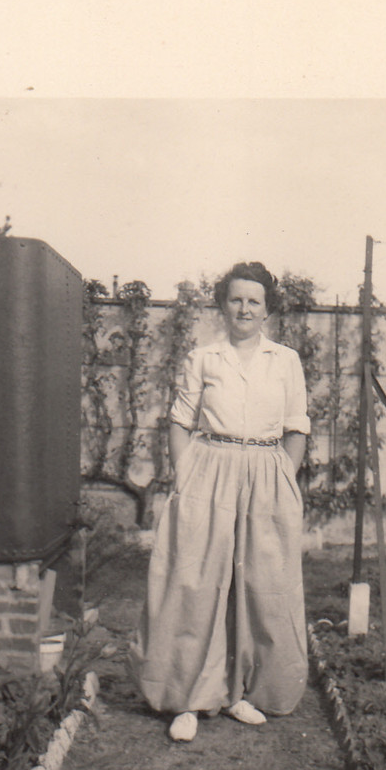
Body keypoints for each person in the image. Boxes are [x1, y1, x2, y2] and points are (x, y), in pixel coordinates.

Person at [133, 261, 311, 742]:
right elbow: (179, 421)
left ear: (267, 308)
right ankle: (189, 698)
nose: (245, 308)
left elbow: (297, 426)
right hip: (209, 470)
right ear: (223, 305)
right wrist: (186, 472)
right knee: (196, 580)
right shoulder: (204, 358)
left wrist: (282, 480)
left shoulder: (285, 360)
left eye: (254, 300)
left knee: (261, 584)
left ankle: (243, 694)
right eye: (236, 299)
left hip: (266, 473)